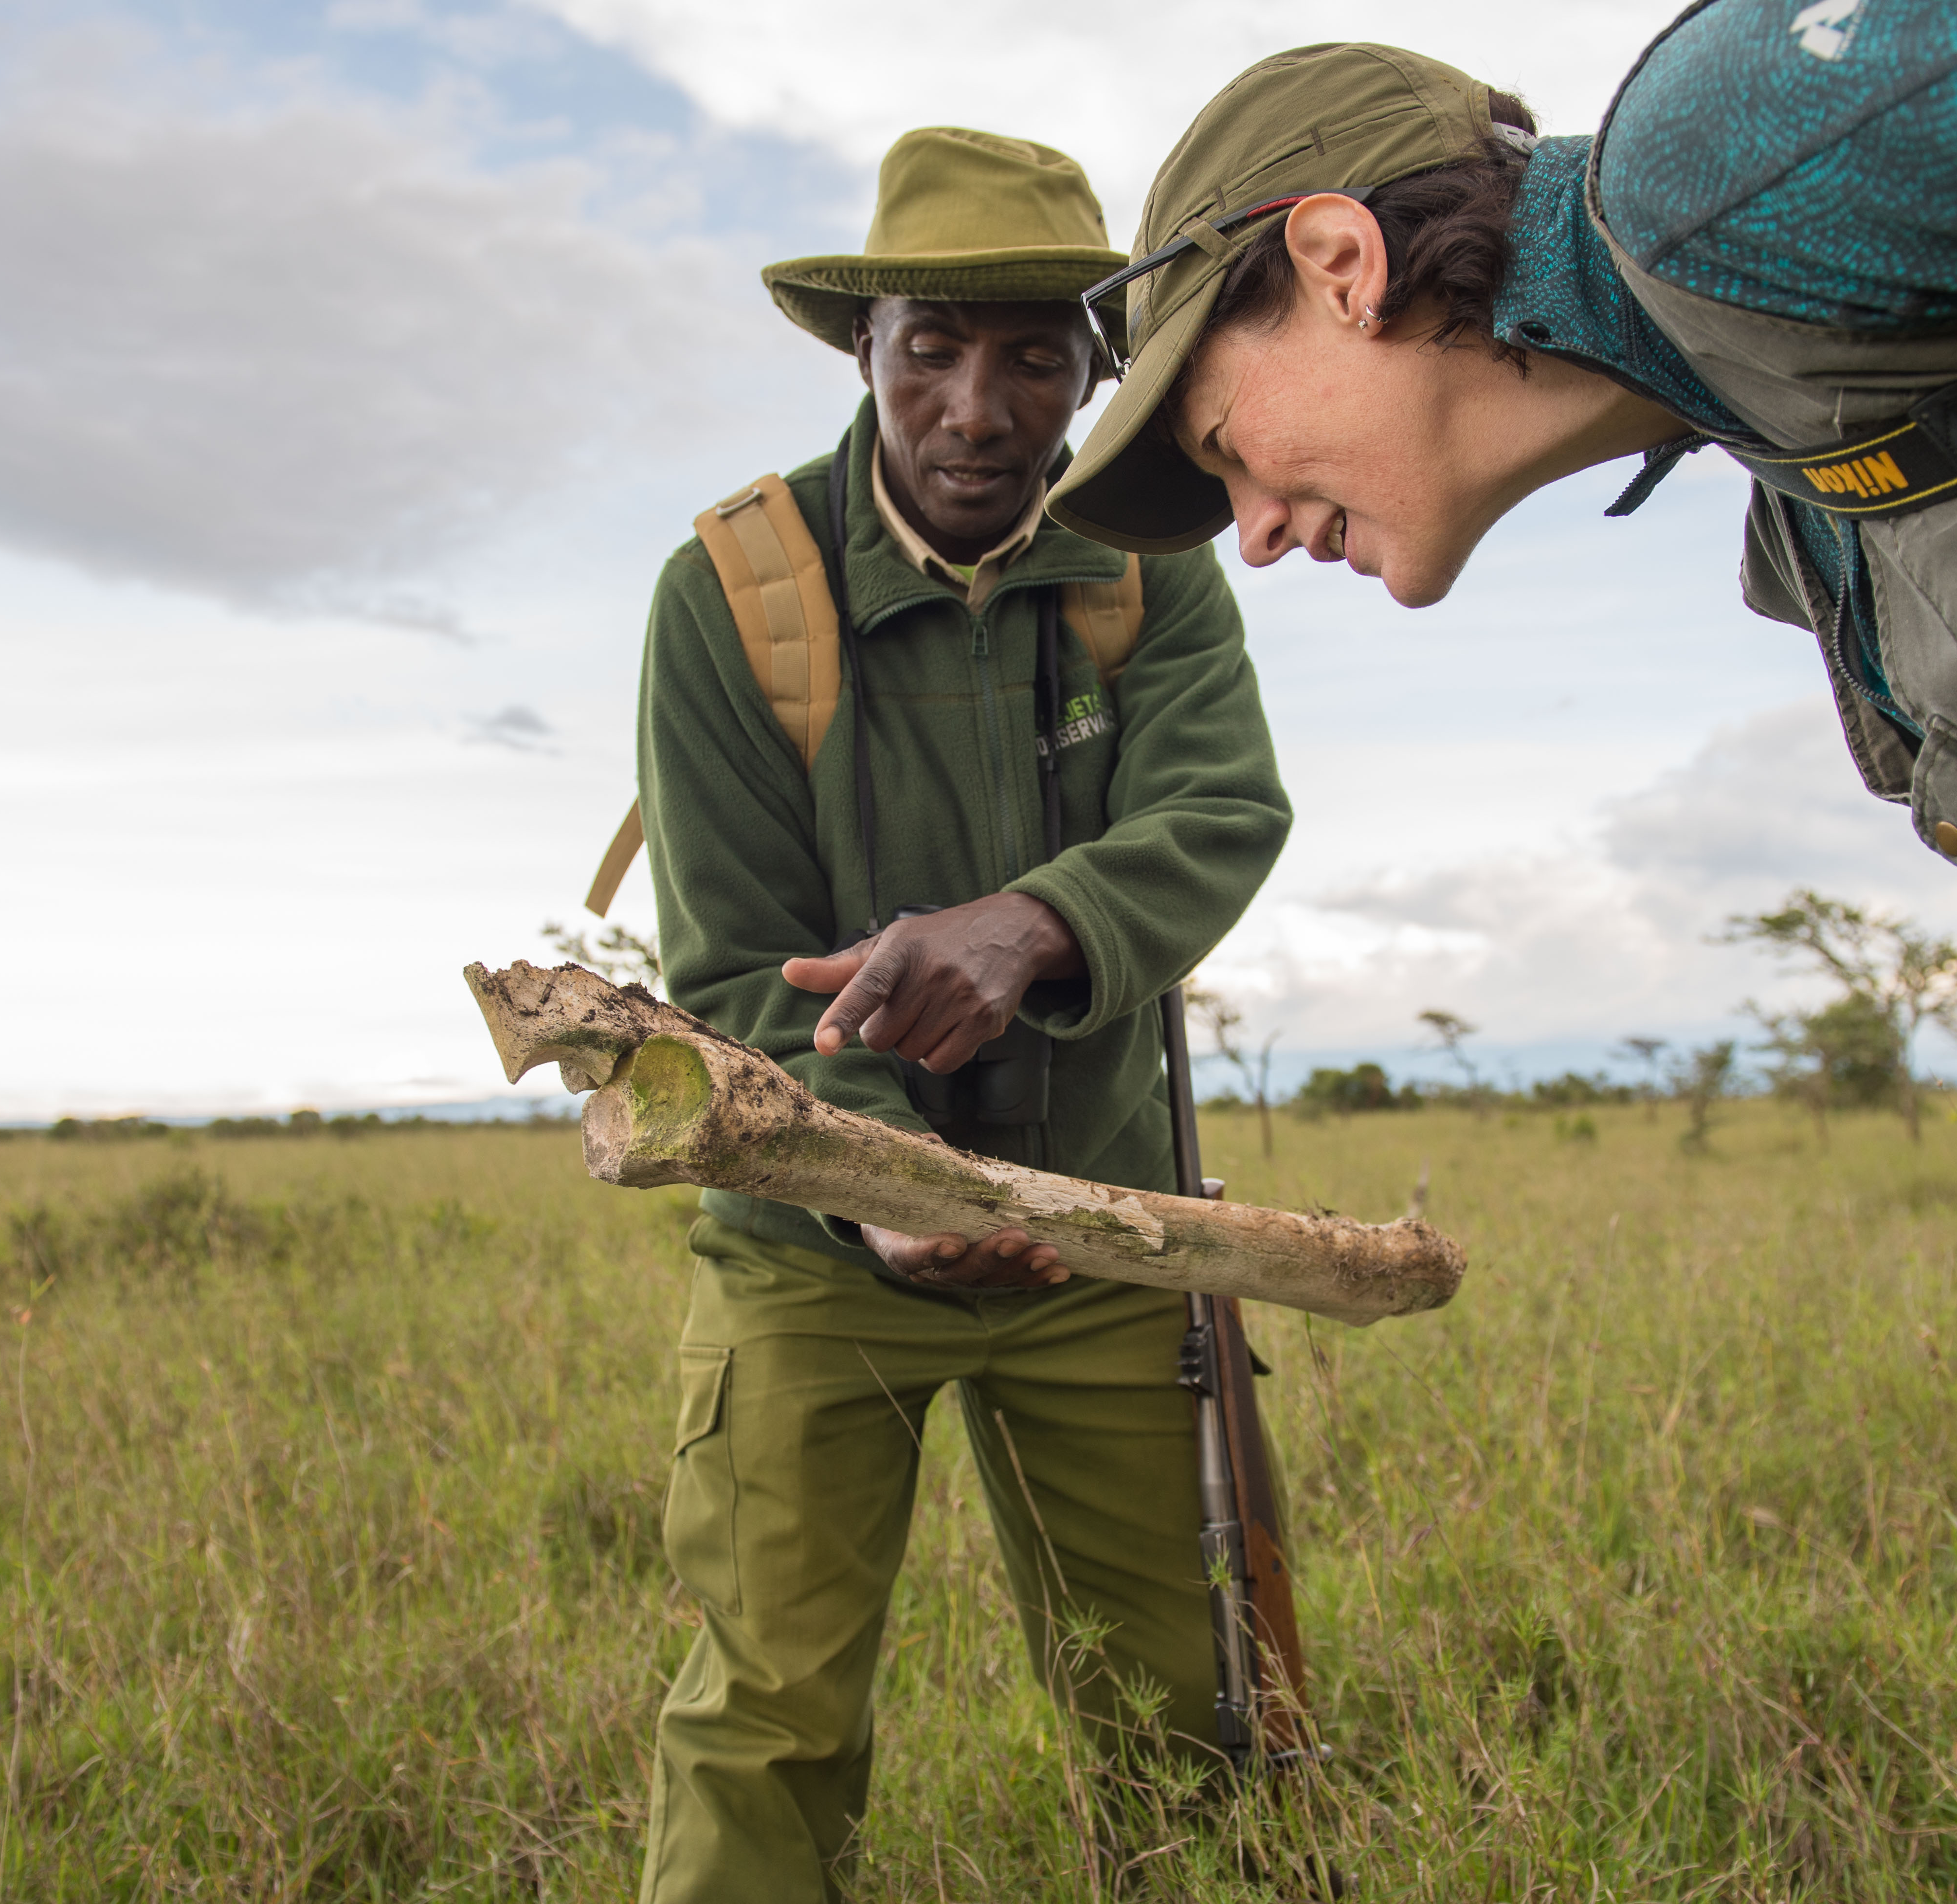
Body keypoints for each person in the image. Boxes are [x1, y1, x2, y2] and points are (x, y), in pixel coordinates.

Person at [1043, 13, 1957, 1891]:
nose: (1256, 530)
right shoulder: (1808, 475)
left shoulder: (1744, 155)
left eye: (1225, 443)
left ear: (1338, 261)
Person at [626, 125, 1291, 1903]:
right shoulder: (734, 593)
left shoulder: (1152, 567)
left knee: (1180, 1706)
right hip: (809, 1253)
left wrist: (1029, 925)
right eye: (932, 346)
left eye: (1033, 356)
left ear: (1095, 374)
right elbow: (727, 974)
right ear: (867, 349)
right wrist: (900, 1195)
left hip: (1108, 1238)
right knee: (768, 1720)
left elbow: (1221, 815)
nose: (977, 409)